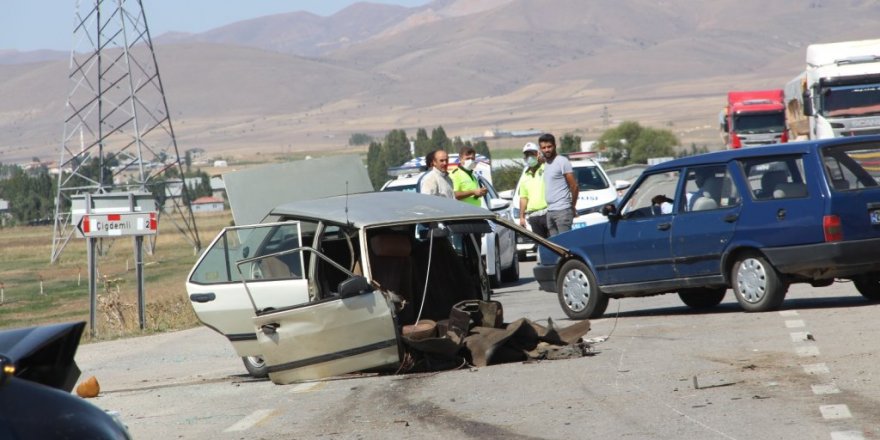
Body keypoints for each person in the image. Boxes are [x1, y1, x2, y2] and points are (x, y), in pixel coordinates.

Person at [539, 133, 578, 236]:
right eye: (544, 147)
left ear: (555, 146)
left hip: (563, 211)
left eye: (549, 147)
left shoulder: (562, 162)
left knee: (564, 247)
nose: (547, 150)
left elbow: (574, 186)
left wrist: (572, 206)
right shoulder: (545, 163)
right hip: (550, 211)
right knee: (554, 247)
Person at [517, 142, 549, 238]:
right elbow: (523, 197)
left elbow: (552, 164)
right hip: (533, 216)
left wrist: (543, 160)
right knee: (541, 245)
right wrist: (521, 217)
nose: (530, 157)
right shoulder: (525, 176)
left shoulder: (545, 168)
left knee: (554, 243)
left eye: (532, 154)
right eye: (527, 155)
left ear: (538, 154)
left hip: (548, 213)